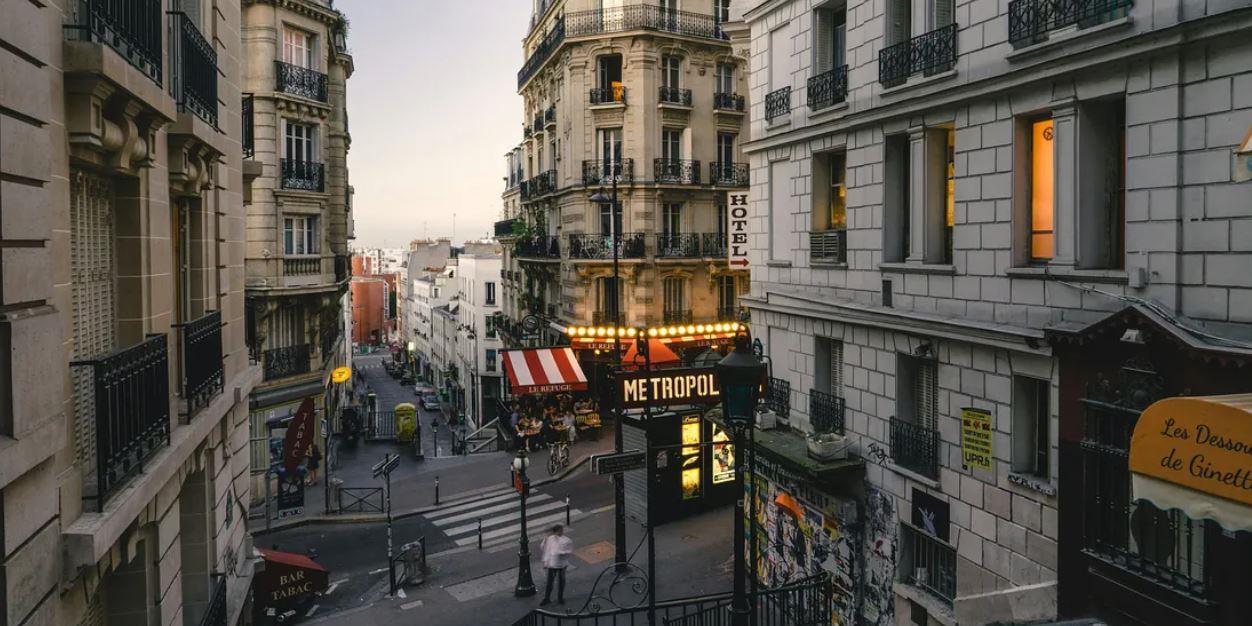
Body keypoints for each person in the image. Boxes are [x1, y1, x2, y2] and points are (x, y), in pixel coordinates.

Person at [539, 525, 573, 605]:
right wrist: (546, 561)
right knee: (549, 582)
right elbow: (546, 549)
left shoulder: (567, 540)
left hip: (562, 564)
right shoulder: (550, 539)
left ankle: (560, 598)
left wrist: (561, 553)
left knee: (561, 582)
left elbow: (569, 551)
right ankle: (547, 598)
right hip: (552, 564)